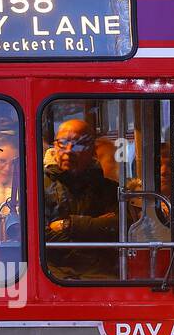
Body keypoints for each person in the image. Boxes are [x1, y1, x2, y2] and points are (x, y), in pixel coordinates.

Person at [43, 117, 119, 278]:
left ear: (92, 150)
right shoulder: (39, 186)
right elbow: (40, 236)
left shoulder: (108, 188)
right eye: (62, 143)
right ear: (55, 147)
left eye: (79, 144)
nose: (69, 150)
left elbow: (117, 227)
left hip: (101, 274)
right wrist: (94, 229)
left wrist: (69, 225)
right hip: (51, 273)